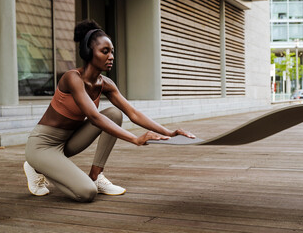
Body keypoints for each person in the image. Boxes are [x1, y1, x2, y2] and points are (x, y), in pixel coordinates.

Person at [23, 20, 195, 202]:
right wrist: (135, 139)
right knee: (87, 193)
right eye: (105, 51)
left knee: (114, 113)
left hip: (68, 142)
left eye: (112, 51)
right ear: (89, 53)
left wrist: (170, 133)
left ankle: (95, 177)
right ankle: (35, 165)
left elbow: (133, 113)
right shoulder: (72, 78)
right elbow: (94, 117)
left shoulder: (106, 84)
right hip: (42, 146)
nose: (111, 56)